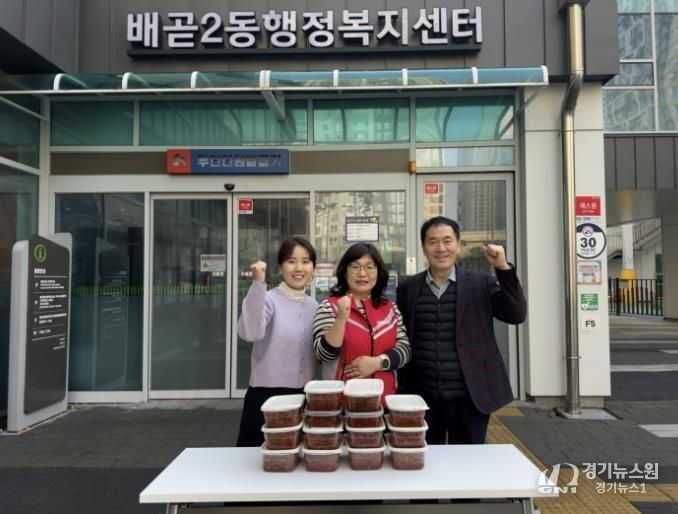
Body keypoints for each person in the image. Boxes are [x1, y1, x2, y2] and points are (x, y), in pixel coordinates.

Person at [396, 216, 526, 445]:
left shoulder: (481, 282)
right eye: (433, 242)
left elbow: (515, 314)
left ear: (458, 245)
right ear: (423, 248)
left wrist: (502, 268)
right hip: (423, 395)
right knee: (426, 457)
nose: (441, 248)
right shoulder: (408, 288)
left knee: (469, 460)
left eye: (447, 241)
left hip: (471, 396)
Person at [236, 237, 319, 447]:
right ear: (281, 266)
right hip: (266, 397)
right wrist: (258, 284)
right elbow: (250, 333)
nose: (299, 268)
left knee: (296, 458)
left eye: (305, 261)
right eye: (291, 261)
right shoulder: (267, 299)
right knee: (256, 459)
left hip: (303, 396)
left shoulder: (315, 306)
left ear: (312, 267)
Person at [313, 243, 411, 402]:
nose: (362, 273)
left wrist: (378, 363)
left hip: (384, 402)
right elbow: (323, 354)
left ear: (379, 272)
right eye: (355, 267)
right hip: (342, 403)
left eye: (370, 267)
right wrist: (341, 319)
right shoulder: (329, 307)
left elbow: (405, 349)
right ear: (345, 271)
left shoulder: (390, 309)